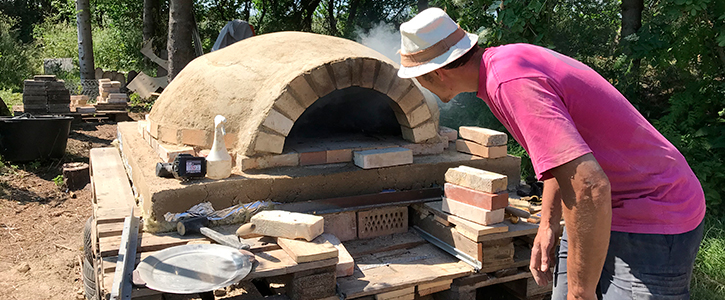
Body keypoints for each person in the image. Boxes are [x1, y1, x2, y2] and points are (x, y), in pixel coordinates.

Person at [398, 8, 706, 300]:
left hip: (652, 209)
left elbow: (588, 186)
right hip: (598, 208)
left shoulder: (510, 82)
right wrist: (548, 224)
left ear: (436, 74)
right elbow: (565, 161)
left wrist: (580, 292)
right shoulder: (502, 66)